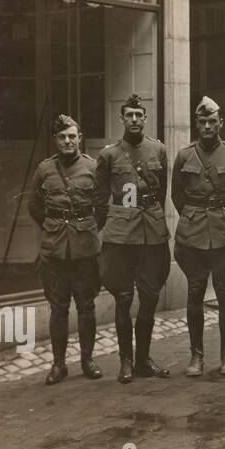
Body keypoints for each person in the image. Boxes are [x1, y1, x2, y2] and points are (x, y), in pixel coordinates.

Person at [26, 114, 107, 384]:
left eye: (72, 136)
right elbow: (34, 206)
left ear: (80, 139)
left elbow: (103, 206)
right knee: (58, 307)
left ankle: (87, 360)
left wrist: (88, 228)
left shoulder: (93, 168)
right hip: (55, 251)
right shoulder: (44, 169)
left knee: (86, 305)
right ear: (56, 141)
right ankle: (59, 365)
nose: (67, 141)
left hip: (85, 250)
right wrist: (54, 227)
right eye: (62, 137)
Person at [170, 96, 225, 377]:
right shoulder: (184, 156)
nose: (206, 126)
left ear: (220, 123)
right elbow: (177, 195)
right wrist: (194, 215)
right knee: (195, 293)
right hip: (193, 236)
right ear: (196, 124)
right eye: (202, 122)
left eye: (211, 121)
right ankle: (196, 356)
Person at [96, 93, 171, 383]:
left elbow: (161, 191)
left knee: (150, 296)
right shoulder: (109, 155)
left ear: (146, 118)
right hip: (120, 235)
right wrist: (107, 227)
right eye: (130, 115)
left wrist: (153, 217)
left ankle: (144, 360)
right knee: (124, 297)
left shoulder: (159, 150)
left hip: (151, 232)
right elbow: (101, 196)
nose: (135, 120)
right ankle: (126, 361)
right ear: (122, 118)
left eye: (139, 115)